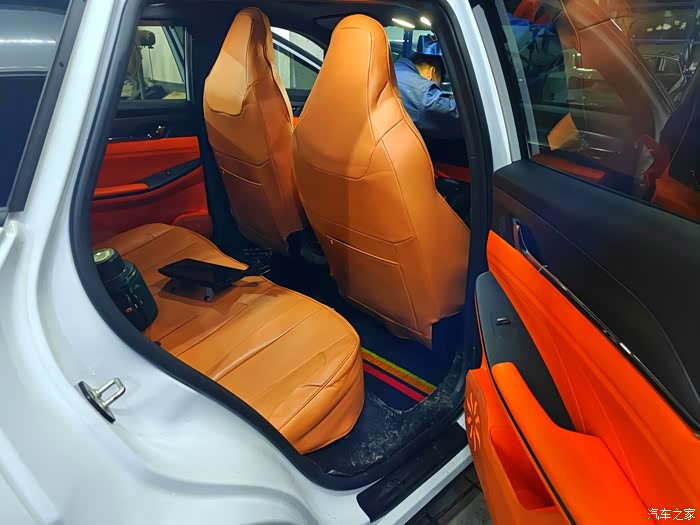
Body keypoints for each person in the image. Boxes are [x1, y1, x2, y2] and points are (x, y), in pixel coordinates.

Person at [394, 53, 461, 140]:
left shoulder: (396, 69)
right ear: (432, 72)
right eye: (438, 82)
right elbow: (454, 114)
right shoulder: (421, 92)